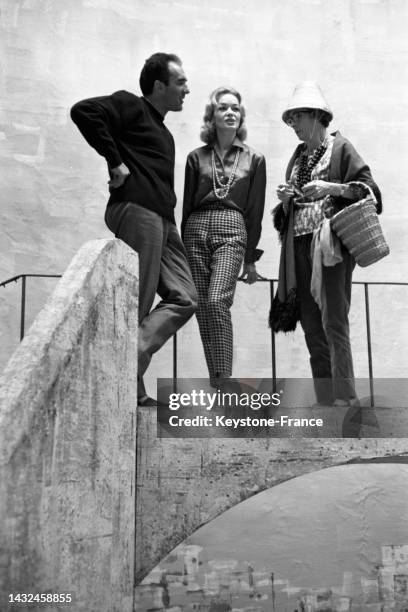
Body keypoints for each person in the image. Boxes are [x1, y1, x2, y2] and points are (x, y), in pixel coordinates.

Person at [71, 52, 198, 406]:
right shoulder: (131, 105)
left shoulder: (165, 133)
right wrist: (115, 161)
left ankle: (126, 359)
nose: (187, 89)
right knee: (137, 303)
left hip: (163, 218)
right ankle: (132, 387)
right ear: (160, 85)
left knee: (186, 297)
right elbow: (84, 111)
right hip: (138, 210)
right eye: (181, 82)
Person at [271, 81, 382, 407]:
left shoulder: (341, 147)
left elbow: (368, 191)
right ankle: (325, 401)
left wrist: (331, 187)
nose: (293, 125)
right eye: (290, 119)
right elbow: (289, 212)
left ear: (315, 115)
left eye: (297, 118)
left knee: (333, 320)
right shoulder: (297, 156)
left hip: (330, 247)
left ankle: (346, 399)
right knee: (310, 324)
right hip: (299, 247)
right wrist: (286, 198)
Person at [182, 87, 266, 389]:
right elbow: (187, 206)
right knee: (202, 305)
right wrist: (180, 251)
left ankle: (224, 378)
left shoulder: (254, 159)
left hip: (233, 227)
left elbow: (254, 211)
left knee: (217, 300)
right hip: (195, 228)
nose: (230, 112)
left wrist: (251, 260)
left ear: (240, 116)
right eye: (223, 108)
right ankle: (218, 380)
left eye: (235, 108)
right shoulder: (196, 157)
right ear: (212, 116)